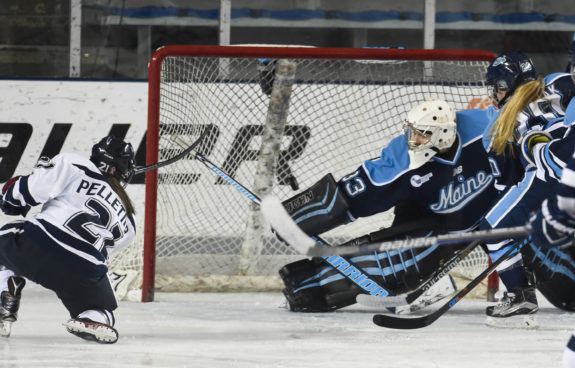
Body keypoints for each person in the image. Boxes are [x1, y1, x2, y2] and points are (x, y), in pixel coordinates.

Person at [278, 99, 501, 313]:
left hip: (497, 215)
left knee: (528, 239)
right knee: (393, 262)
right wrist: (293, 218)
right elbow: (363, 189)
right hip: (434, 224)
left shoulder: (488, 129)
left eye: (422, 135)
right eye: (413, 132)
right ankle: (306, 288)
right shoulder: (404, 157)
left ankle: (521, 294)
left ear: (443, 135)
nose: (413, 140)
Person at [0, 135, 137, 344]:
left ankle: (5, 290)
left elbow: (18, 196)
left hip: (38, 245)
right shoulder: (130, 220)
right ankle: (93, 318)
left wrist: (11, 191)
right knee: (102, 309)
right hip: (86, 268)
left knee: (6, 239)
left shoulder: (75, 164)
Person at [479, 51, 575, 327]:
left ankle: (520, 294)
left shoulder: (505, 123)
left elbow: (507, 182)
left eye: (495, 87)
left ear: (504, 86)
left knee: (493, 228)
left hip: (548, 174)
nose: (493, 94)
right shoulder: (558, 83)